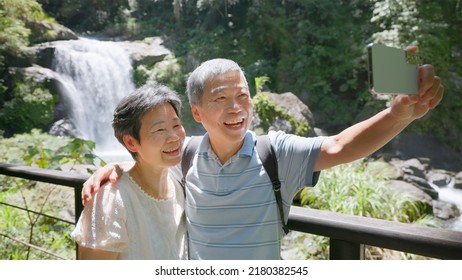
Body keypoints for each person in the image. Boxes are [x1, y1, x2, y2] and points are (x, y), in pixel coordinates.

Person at [81, 57, 444, 260]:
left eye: (242, 96)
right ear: (197, 112)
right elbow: (147, 163)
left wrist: (398, 114)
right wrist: (114, 169)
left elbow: (339, 146)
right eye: (221, 99)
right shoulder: (185, 154)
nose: (236, 108)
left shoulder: (275, 152)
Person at [72, 84, 187, 260]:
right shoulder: (110, 199)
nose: (174, 137)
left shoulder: (180, 179)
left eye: (176, 125)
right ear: (131, 143)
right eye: (160, 130)